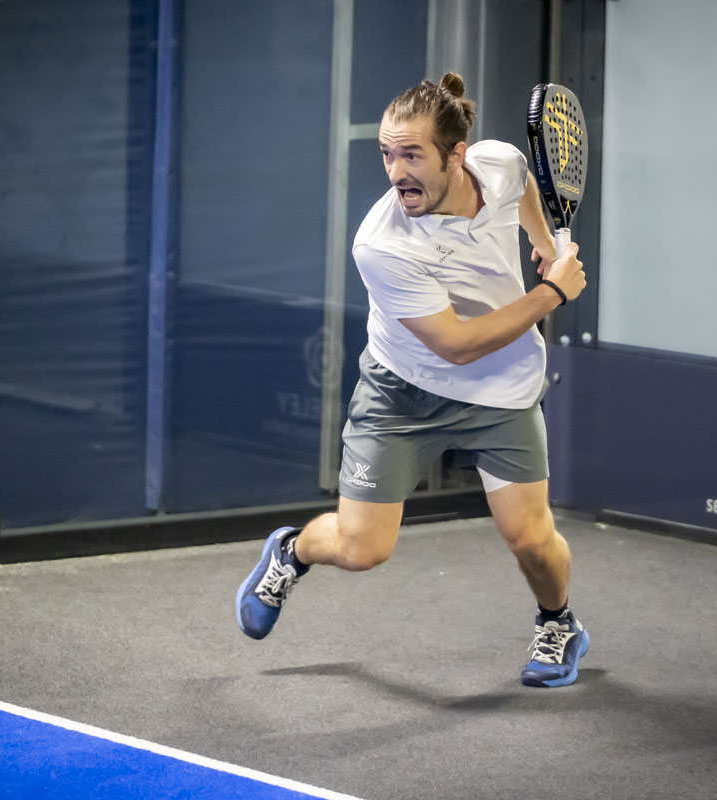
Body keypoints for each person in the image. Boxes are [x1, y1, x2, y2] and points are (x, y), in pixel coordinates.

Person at [235, 72, 589, 687]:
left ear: (456, 155)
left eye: (412, 155)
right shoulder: (382, 245)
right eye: (387, 155)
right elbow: (456, 344)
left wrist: (541, 241)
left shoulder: (498, 163)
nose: (396, 173)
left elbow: (525, 184)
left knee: (532, 540)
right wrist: (553, 291)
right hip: (401, 393)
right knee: (361, 549)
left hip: (501, 390)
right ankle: (292, 551)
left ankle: (559, 623)